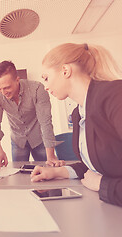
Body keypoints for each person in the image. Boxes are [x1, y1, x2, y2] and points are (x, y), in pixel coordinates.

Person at [31, 43, 122, 207]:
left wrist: (105, 186)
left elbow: (101, 177)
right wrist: (59, 172)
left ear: (65, 71)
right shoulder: (78, 112)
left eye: (46, 77)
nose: (45, 86)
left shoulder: (115, 95)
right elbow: (98, 164)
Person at [0, 61, 63, 168]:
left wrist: (50, 156)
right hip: (18, 141)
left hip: (40, 140)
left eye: (7, 87)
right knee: (19, 174)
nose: (3, 93)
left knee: (48, 170)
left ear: (17, 80)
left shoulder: (37, 89)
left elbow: (45, 122)